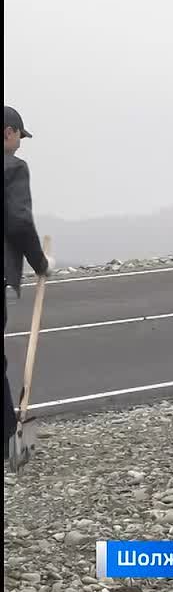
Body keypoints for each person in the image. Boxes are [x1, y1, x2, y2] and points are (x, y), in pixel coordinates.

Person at [4, 105, 51, 466]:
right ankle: (9, 437)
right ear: (9, 132)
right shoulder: (13, 167)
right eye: (20, 135)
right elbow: (18, 222)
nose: (20, 143)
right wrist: (40, 263)